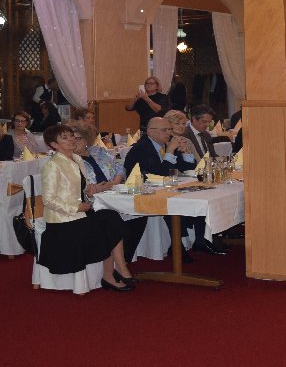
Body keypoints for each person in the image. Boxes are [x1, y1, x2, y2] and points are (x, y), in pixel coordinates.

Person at [36, 125, 134, 292]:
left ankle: (114, 272)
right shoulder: (52, 166)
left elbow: (82, 193)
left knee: (111, 217)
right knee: (109, 220)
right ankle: (116, 271)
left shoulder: (77, 159)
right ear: (54, 145)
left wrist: (88, 194)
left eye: (71, 136)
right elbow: (49, 200)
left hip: (80, 215)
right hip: (62, 222)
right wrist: (77, 207)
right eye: (65, 138)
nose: (71, 139)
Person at [122, 117, 223, 256]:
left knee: (200, 194)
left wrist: (185, 152)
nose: (168, 133)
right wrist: (170, 151)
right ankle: (177, 247)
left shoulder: (166, 144)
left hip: (165, 188)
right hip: (144, 192)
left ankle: (200, 240)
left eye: (169, 129)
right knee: (177, 201)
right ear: (150, 132)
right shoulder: (141, 148)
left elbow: (189, 169)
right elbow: (159, 174)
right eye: (164, 130)